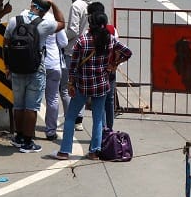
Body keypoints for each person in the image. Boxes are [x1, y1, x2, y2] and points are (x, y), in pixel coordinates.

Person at [54, 12, 132, 161]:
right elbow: (127, 52)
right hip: (102, 84)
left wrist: (70, 83)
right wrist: (113, 64)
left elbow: (74, 65)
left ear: (91, 24)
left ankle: (64, 151)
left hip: (82, 85)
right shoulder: (110, 40)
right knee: (98, 119)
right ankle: (94, 151)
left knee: (70, 117)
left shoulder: (82, 41)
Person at [4, 0, 65, 153]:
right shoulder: (44, 25)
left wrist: (7, 66)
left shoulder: (13, 21)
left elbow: (6, 43)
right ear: (44, 11)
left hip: (16, 69)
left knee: (18, 104)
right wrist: (54, 3)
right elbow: (62, 23)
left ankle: (18, 137)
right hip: (35, 70)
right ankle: (28, 142)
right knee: (31, 107)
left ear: (31, 5)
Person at [62, 0, 94, 131]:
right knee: (81, 86)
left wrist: (60, 39)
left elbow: (72, 30)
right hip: (87, 50)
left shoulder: (76, 6)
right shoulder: (90, 4)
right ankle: (79, 119)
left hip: (73, 50)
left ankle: (71, 118)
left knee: (68, 86)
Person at [87, 1, 119, 130]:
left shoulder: (89, 33)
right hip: (109, 70)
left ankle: (103, 129)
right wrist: (115, 64)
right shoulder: (112, 30)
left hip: (97, 71)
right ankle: (108, 130)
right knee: (109, 101)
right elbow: (119, 49)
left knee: (99, 102)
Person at [42, 23, 68, 141]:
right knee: (52, 98)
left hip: (35, 64)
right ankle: (51, 131)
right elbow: (64, 43)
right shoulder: (54, 23)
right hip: (53, 63)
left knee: (32, 99)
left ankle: (28, 131)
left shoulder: (30, 19)